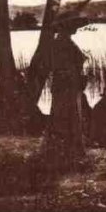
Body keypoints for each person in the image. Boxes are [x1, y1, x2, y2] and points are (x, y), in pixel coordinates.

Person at [44, 13, 90, 170]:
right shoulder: (63, 43)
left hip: (65, 84)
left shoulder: (60, 42)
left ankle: (64, 150)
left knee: (64, 114)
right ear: (66, 28)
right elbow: (69, 63)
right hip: (67, 84)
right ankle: (68, 151)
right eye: (73, 27)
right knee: (68, 115)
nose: (75, 29)